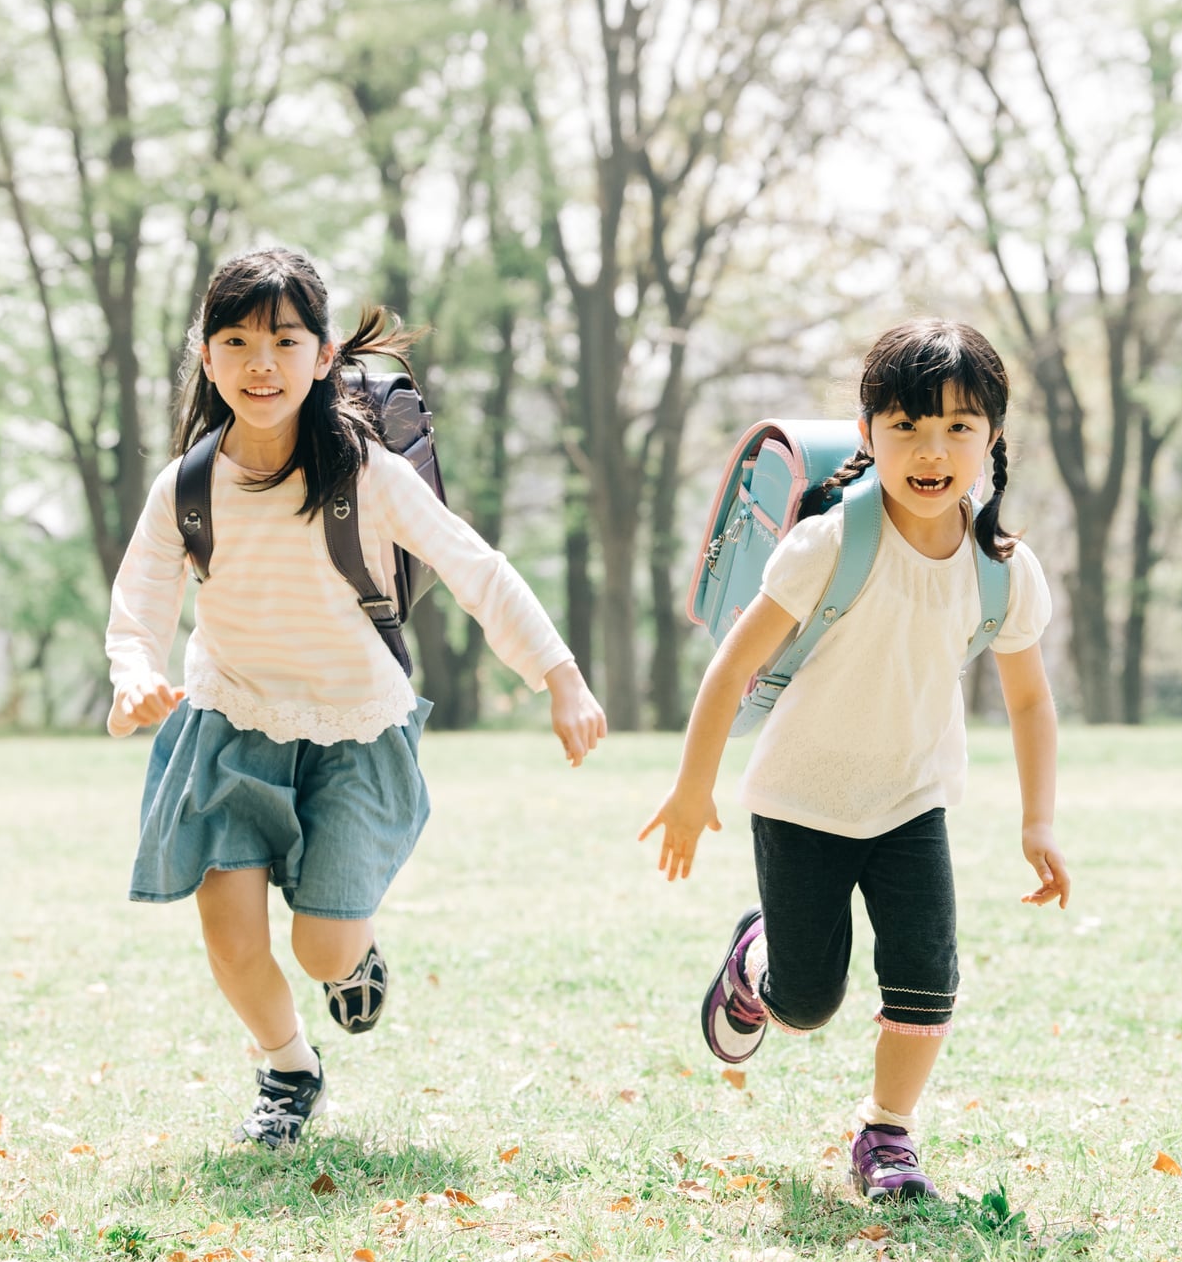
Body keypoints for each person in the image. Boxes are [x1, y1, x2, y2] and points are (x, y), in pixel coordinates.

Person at [106, 246, 607, 1150]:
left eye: (285, 340)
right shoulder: (186, 486)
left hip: (355, 729)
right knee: (228, 936)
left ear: (323, 354)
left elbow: (473, 568)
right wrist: (134, 671)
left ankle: (352, 953)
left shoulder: (366, 475)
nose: (262, 364)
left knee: (321, 950)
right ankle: (288, 1066)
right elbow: (139, 600)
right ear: (207, 358)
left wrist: (559, 673)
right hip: (231, 724)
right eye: (237, 341)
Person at [638, 317, 1070, 1201]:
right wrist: (692, 788)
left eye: (958, 425)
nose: (931, 448)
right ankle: (753, 959)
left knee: (927, 981)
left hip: (913, 801)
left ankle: (888, 1133)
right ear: (869, 432)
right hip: (800, 802)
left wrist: (1038, 821)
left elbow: (1029, 698)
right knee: (806, 1002)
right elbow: (734, 666)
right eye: (906, 424)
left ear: (993, 437)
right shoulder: (830, 543)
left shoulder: (1004, 570)